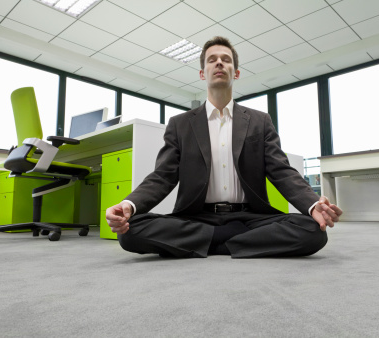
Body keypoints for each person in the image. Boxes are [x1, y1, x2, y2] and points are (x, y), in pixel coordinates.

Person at [105, 36, 342, 258]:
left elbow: (281, 171)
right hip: (196, 217)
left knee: (313, 230)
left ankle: (207, 243)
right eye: (212, 60)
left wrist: (312, 205)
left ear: (236, 73)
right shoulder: (180, 124)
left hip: (250, 217)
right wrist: (128, 204)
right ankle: (234, 242)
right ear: (202, 73)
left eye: (226, 60)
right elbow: (162, 176)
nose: (219, 62)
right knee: (129, 231)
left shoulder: (260, 121)